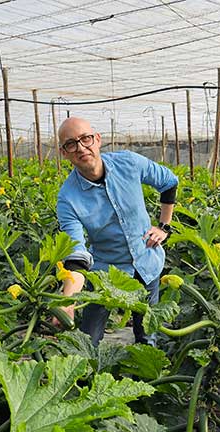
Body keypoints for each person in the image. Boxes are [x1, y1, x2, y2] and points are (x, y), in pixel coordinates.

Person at [56, 117, 178, 346]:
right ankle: (84, 378)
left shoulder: (129, 163)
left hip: (146, 261)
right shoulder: (67, 198)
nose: (81, 147)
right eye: (71, 144)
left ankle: (144, 379)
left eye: (86, 138)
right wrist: (67, 301)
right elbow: (76, 256)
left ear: (97, 139)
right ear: (64, 153)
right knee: (87, 340)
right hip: (106, 273)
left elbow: (169, 182)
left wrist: (164, 227)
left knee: (147, 337)